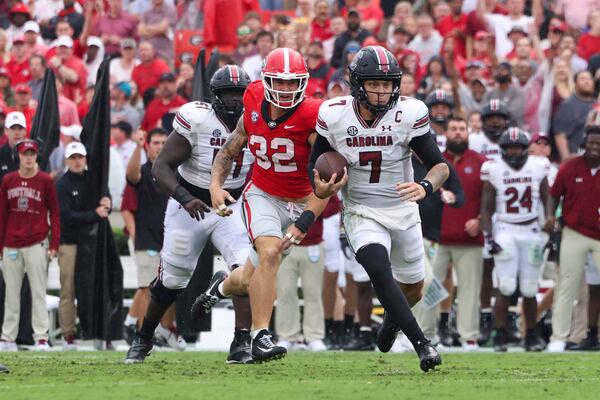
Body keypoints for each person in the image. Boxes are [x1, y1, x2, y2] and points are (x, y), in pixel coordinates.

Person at [195, 48, 345, 363]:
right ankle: (261, 336)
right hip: (261, 194)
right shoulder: (252, 98)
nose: (288, 89)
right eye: (281, 82)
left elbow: (327, 183)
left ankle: (218, 289)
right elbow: (230, 148)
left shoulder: (314, 115)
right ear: (266, 80)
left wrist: (304, 220)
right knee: (270, 252)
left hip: (301, 199)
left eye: (294, 83)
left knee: (248, 278)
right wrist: (215, 185)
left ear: (304, 83)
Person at [313, 46, 448, 370]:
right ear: (358, 83)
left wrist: (425, 186)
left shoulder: (409, 112)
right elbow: (313, 163)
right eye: (374, 83)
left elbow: (440, 166)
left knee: (413, 287)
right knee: (378, 269)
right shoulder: (334, 114)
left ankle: (391, 322)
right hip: (361, 209)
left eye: (387, 84)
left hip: (403, 210)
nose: (382, 90)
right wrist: (319, 185)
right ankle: (422, 345)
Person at [125, 65, 255, 364]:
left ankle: (242, 341)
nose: (235, 100)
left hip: (230, 205)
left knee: (246, 271)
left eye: (240, 94)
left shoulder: (257, 121)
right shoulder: (198, 119)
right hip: (190, 205)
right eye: (229, 94)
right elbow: (160, 167)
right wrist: (184, 198)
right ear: (215, 95)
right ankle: (143, 337)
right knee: (171, 280)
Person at [480, 128, 549, 352]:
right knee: (506, 286)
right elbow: (486, 208)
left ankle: (531, 334)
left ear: (526, 148)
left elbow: (548, 197)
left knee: (529, 288)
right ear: (502, 149)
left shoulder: (538, 167)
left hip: (531, 230)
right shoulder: (494, 170)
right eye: (509, 148)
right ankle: (499, 335)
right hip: (505, 229)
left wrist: (549, 219)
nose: (514, 152)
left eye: (518, 147)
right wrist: (489, 237)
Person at [420, 116, 485, 351]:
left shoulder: (481, 162)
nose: (458, 133)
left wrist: (479, 221)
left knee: (469, 289)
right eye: (453, 129)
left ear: (468, 133)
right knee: (429, 286)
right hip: (437, 236)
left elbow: (489, 199)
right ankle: (426, 334)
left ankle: (469, 336)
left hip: (470, 238)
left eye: (462, 129)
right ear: (445, 133)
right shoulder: (433, 162)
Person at [121, 128, 184, 350]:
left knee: (170, 287)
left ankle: (165, 332)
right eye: (155, 142)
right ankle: (142, 336)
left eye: (163, 142)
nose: (159, 146)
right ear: (148, 146)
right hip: (147, 241)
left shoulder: (176, 173)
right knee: (148, 289)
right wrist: (137, 146)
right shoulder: (145, 171)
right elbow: (131, 176)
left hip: (171, 240)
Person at [0, 139, 59, 351]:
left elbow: (55, 212)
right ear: (19, 155)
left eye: (32, 153)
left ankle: (41, 337)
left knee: (38, 292)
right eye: (25, 153)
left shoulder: (45, 181)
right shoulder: (8, 180)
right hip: (11, 244)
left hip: (37, 242)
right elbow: (2, 214)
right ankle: (8, 338)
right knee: (11, 293)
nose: (28, 157)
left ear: (36, 156)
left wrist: (54, 242)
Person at [545, 127, 600, 352]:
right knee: (567, 284)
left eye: (599, 144)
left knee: (596, 289)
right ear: (584, 144)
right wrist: (550, 215)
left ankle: (592, 334)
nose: (595, 148)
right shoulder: (570, 166)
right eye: (592, 143)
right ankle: (558, 337)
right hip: (574, 231)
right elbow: (553, 195)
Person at [55, 141, 111, 350]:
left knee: (94, 286)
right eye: (73, 158)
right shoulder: (62, 184)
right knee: (68, 289)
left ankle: (96, 331)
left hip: (92, 242)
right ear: (67, 160)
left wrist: (108, 202)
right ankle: (68, 334)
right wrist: (93, 215)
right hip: (70, 243)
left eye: (80, 157)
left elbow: (106, 198)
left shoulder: (94, 180)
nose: (77, 161)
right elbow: (66, 216)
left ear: (85, 159)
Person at [0, 112, 27, 182]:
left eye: (20, 128)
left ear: (25, 131)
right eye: (13, 128)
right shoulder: (1, 154)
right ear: (6, 131)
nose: (17, 132)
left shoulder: (33, 154)